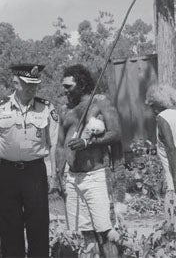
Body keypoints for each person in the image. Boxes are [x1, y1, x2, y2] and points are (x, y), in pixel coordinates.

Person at [0, 64, 58, 257]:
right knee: (9, 226)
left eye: (35, 84)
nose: (32, 88)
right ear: (15, 83)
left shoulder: (46, 108)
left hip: (35, 172)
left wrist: (54, 174)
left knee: (39, 225)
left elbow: (54, 145)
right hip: (7, 173)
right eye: (27, 84)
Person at [55, 64, 121, 257]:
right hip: (73, 179)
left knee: (105, 231)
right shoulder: (64, 109)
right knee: (86, 232)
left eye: (68, 86)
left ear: (82, 84)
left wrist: (88, 142)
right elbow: (60, 145)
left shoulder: (100, 102)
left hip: (96, 177)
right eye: (63, 86)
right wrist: (57, 175)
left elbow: (116, 133)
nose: (64, 90)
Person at [146, 84, 176, 225]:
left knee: (171, 232)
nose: (151, 110)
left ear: (157, 104)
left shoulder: (162, 118)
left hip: (173, 186)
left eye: (151, 106)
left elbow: (171, 149)